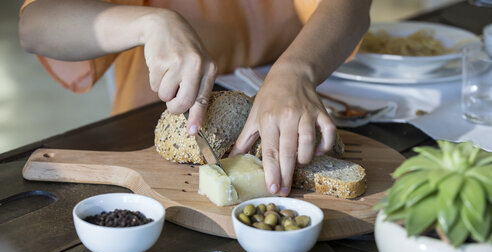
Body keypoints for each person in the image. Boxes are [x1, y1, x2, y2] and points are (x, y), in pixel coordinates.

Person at [19, 0, 371, 197]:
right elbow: (35, 24)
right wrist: (152, 23)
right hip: (140, 121)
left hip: (287, 100)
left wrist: (295, 71)